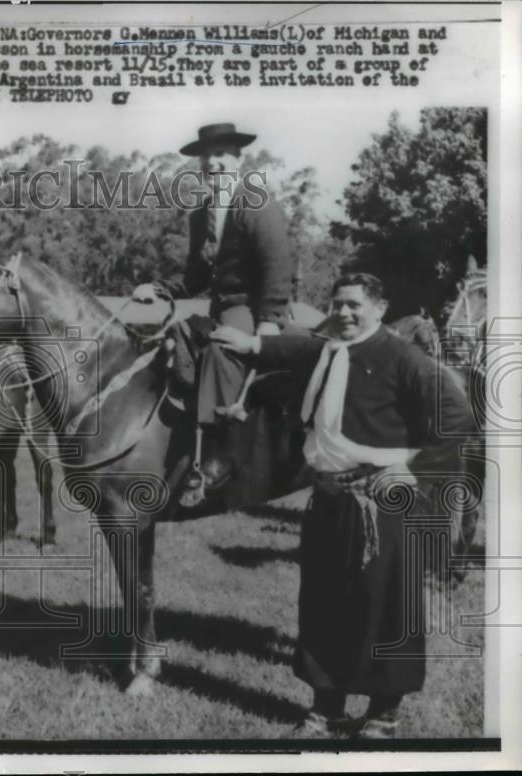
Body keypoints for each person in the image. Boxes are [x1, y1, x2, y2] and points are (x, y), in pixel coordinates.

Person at [212, 273, 474, 738]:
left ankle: (383, 714)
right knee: (323, 606)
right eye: (337, 305)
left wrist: (414, 472)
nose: (344, 313)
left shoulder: (402, 358)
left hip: (383, 505)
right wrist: (251, 344)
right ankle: (326, 708)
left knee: (386, 608)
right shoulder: (328, 349)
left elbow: (457, 416)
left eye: (354, 305)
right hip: (329, 500)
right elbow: (291, 350)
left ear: (379, 307)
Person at [133, 123, 296, 488]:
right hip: (219, 308)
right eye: (207, 156)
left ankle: (222, 450)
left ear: (238, 158)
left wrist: (269, 320)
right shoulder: (201, 214)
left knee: (223, 346)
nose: (213, 162)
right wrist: (159, 289)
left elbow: (277, 265)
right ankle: (178, 440)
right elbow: (194, 277)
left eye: (221, 154)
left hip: (251, 308)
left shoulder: (257, 203)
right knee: (176, 338)